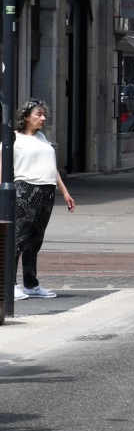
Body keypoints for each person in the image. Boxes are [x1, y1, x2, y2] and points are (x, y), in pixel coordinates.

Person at [6, 100, 75, 301]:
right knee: (19, 238)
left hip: (47, 191)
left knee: (35, 240)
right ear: (26, 116)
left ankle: (31, 284)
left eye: (45, 114)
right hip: (26, 190)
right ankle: (9, 284)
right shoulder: (13, 138)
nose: (43, 118)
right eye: (39, 114)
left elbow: (52, 168)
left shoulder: (42, 137)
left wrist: (64, 192)